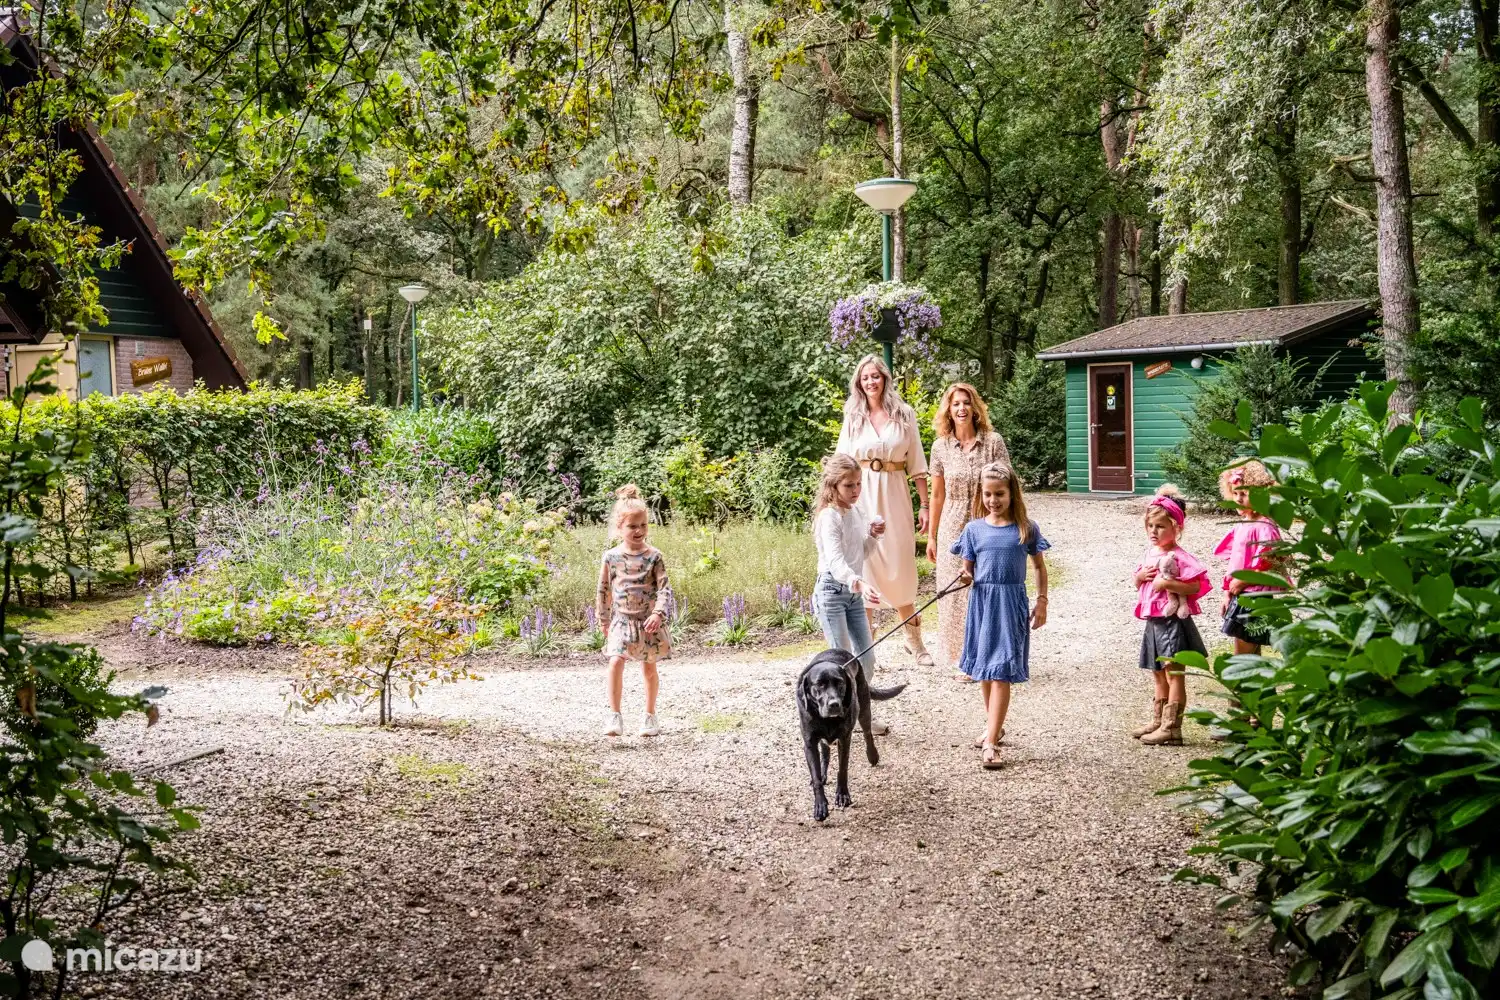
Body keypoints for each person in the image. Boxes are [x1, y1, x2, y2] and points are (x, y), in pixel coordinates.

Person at [835, 354, 934, 667]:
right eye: (865, 378)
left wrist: (926, 505)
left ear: (885, 379)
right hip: (860, 496)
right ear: (859, 383)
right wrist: (836, 504)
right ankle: (865, 648)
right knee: (864, 566)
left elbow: (917, 463)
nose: (871, 382)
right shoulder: (853, 416)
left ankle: (914, 640)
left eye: (875, 376)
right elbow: (841, 462)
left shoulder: (904, 414)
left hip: (894, 493)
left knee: (900, 564)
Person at [952, 463, 1049, 770]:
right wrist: (965, 576)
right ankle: (995, 726)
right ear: (981, 496)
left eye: (1000, 494)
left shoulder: (1025, 528)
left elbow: (1038, 567)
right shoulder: (973, 529)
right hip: (983, 604)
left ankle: (991, 742)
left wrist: (1042, 601)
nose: (994, 500)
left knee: (1001, 671)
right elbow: (968, 570)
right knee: (984, 669)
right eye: (988, 494)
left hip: (1011, 603)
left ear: (1012, 493)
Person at [926, 382, 1011, 682]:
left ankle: (987, 654)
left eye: (966, 403)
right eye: (955, 404)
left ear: (975, 408)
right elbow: (937, 495)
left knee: (985, 589)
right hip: (952, 522)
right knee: (954, 593)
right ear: (948, 410)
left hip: (986, 522)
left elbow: (1007, 486)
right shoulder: (940, 446)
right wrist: (932, 536)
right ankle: (961, 658)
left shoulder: (993, 442)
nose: (961, 408)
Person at [810, 454, 891, 734]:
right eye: (849, 486)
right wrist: (858, 582)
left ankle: (854, 711)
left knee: (866, 658)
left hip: (854, 595)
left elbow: (860, 553)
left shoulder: (855, 513)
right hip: (832, 592)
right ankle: (834, 716)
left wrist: (874, 536)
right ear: (833, 486)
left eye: (858, 484)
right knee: (840, 663)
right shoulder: (828, 517)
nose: (856, 491)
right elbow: (835, 561)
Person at [1130, 484, 1211, 747]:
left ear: (1176, 528)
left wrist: (1168, 585)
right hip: (1154, 620)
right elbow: (1138, 581)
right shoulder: (1150, 553)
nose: (1153, 531)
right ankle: (1158, 718)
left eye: (1160, 526)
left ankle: (1172, 727)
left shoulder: (1180, 557)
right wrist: (1140, 577)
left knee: (1174, 671)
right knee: (1157, 670)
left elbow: (1196, 586)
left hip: (1173, 621)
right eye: (1150, 526)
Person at [1210, 461, 1283, 740]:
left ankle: (1242, 721)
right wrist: (1229, 589)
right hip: (1243, 596)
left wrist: (1244, 580)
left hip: (1257, 597)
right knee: (1251, 660)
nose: (1240, 498)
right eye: (1237, 493)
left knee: (1243, 662)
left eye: (1246, 493)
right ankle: (1256, 718)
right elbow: (1234, 561)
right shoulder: (1245, 523)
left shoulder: (1264, 525)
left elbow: (1272, 556)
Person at [596, 485, 672, 738]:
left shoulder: (654, 557)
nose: (638, 531)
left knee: (648, 668)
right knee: (615, 661)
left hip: (647, 622)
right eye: (632, 526)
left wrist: (658, 614)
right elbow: (603, 590)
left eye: (643, 525)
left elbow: (664, 589)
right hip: (621, 621)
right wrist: (603, 619)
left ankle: (650, 716)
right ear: (620, 528)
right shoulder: (611, 557)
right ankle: (614, 715)